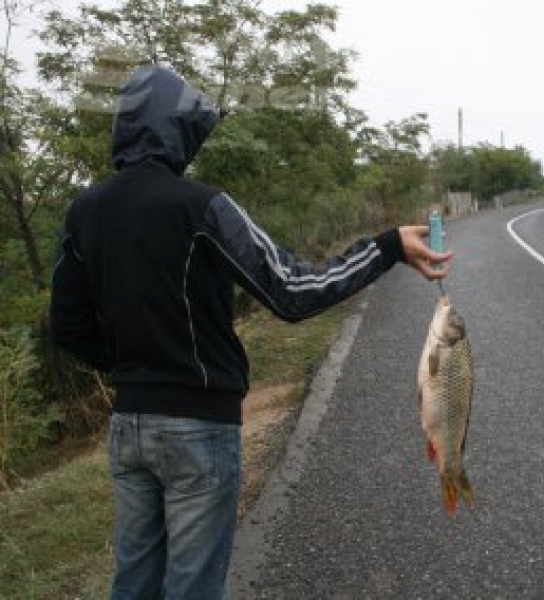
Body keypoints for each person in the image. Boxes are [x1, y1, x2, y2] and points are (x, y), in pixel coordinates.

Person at [49, 65, 451, 599]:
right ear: (178, 128)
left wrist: (130, 369)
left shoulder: (86, 211)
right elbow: (293, 291)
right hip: (198, 425)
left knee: (134, 580)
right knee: (192, 586)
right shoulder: (199, 205)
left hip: (129, 425)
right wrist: (387, 247)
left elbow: (68, 324)